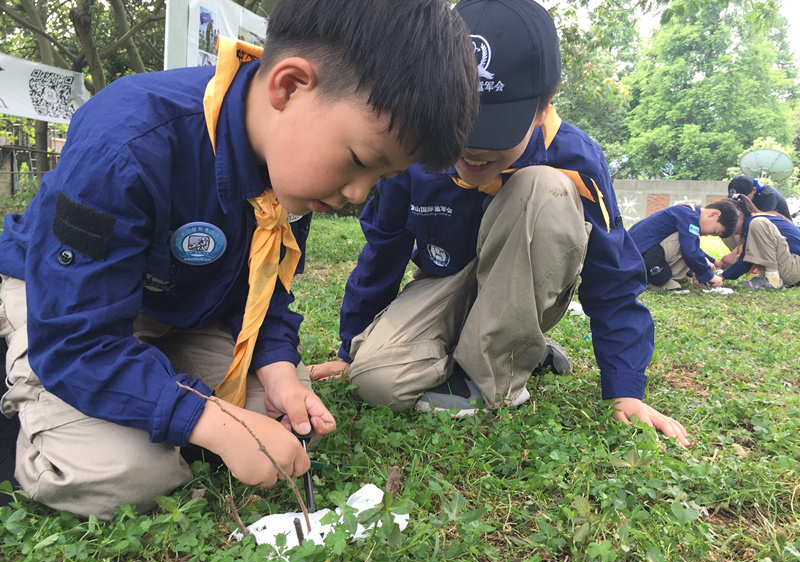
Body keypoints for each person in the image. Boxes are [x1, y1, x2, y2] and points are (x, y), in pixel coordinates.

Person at [0, 0, 479, 519]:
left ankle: (160, 392)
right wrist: (214, 424)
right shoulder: (128, 141)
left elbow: (265, 290)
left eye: (380, 179)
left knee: (282, 424)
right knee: (128, 476)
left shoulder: (294, 168)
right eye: (361, 161)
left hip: (183, 308)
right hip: (67, 305)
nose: (358, 193)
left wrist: (277, 367)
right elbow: (78, 338)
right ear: (290, 86)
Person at [311, 0, 691, 447]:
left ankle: (492, 372)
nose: (470, 150)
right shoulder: (415, 148)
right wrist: (349, 347)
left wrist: (625, 388)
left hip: (527, 281)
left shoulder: (574, 157)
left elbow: (613, 278)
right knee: (375, 382)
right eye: (455, 124)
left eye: (493, 128)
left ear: (542, 106)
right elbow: (383, 251)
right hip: (445, 283)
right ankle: (523, 349)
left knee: (543, 189)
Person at [628, 201, 742, 290]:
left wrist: (701, 267)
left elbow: (692, 248)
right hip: (639, 262)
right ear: (714, 214)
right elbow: (690, 251)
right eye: (714, 232)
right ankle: (661, 282)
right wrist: (708, 275)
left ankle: (672, 277)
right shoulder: (689, 217)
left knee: (689, 240)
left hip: (636, 258)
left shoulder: (686, 213)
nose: (707, 235)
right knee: (689, 241)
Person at [718, 194, 800, 290]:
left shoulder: (757, 222)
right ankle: (767, 278)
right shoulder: (749, 223)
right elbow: (744, 262)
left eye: (728, 222)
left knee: (757, 223)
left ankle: (772, 281)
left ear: (739, 215)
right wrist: (721, 276)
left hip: (794, 270)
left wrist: (721, 276)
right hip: (789, 267)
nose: (729, 228)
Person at [728, 175, 792, 220]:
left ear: (754, 190)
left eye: (742, 198)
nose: (739, 202)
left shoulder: (769, 195)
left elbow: (763, 221)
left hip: (782, 233)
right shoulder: (751, 194)